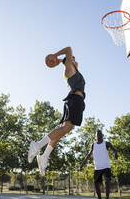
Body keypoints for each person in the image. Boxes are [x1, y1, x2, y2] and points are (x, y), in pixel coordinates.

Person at [28, 46, 86, 176]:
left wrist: (60, 61)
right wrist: (55, 56)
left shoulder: (73, 70)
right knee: (65, 129)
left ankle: (44, 156)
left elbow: (69, 60)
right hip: (74, 100)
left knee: (62, 130)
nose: (75, 60)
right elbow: (69, 49)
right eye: (72, 59)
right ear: (70, 62)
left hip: (75, 101)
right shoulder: (69, 70)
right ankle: (37, 145)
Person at [79, 130, 117, 199]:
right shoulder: (93, 145)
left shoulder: (106, 143)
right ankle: (99, 198)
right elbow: (89, 155)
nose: (99, 136)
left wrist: (115, 154)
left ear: (102, 135)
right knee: (96, 183)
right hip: (98, 167)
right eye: (97, 135)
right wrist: (82, 164)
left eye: (100, 135)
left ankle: (107, 197)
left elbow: (114, 149)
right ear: (96, 136)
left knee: (107, 180)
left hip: (106, 166)